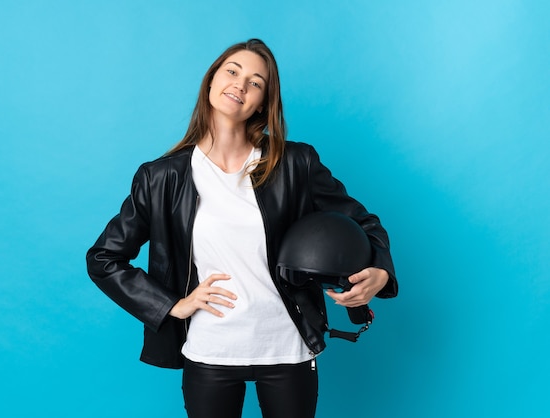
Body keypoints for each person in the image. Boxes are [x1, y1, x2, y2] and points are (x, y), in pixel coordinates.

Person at [86, 38, 397, 418]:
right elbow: (104, 258)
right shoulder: (161, 177)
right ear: (212, 80)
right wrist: (172, 306)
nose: (240, 84)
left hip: (287, 346)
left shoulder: (295, 162)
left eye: (256, 82)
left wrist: (380, 270)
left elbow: (363, 223)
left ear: (263, 103)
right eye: (232, 71)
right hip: (210, 351)